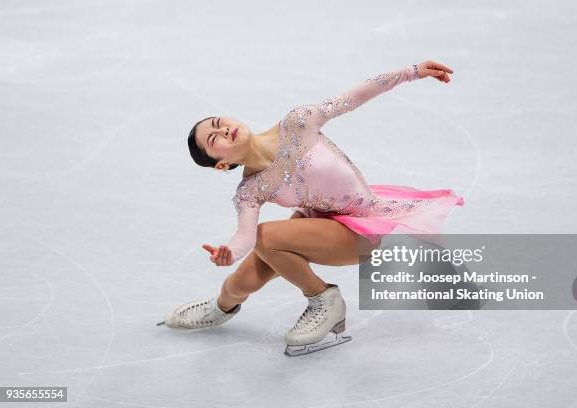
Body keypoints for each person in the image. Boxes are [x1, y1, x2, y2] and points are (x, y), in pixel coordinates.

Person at [157, 60, 464, 356]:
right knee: (242, 279)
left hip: (360, 228)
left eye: (219, 123)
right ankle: (219, 308)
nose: (223, 130)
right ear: (222, 164)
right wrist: (230, 253)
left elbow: (354, 96)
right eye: (214, 138)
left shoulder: (297, 122)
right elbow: (245, 234)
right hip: (319, 225)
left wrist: (410, 72)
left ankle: (323, 299)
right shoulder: (249, 190)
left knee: (268, 239)